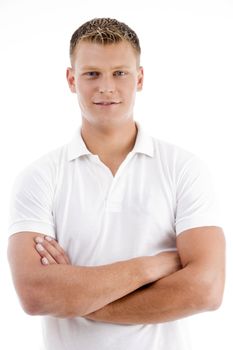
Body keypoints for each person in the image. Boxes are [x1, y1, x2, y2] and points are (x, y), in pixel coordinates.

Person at [7, 17, 225, 350]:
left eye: (119, 73)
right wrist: (155, 265)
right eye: (92, 73)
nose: (106, 87)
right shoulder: (39, 178)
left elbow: (206, 290)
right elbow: (37, 295)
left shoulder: (184, 169)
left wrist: (78, 298)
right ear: (71, 79)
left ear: (139, 78)